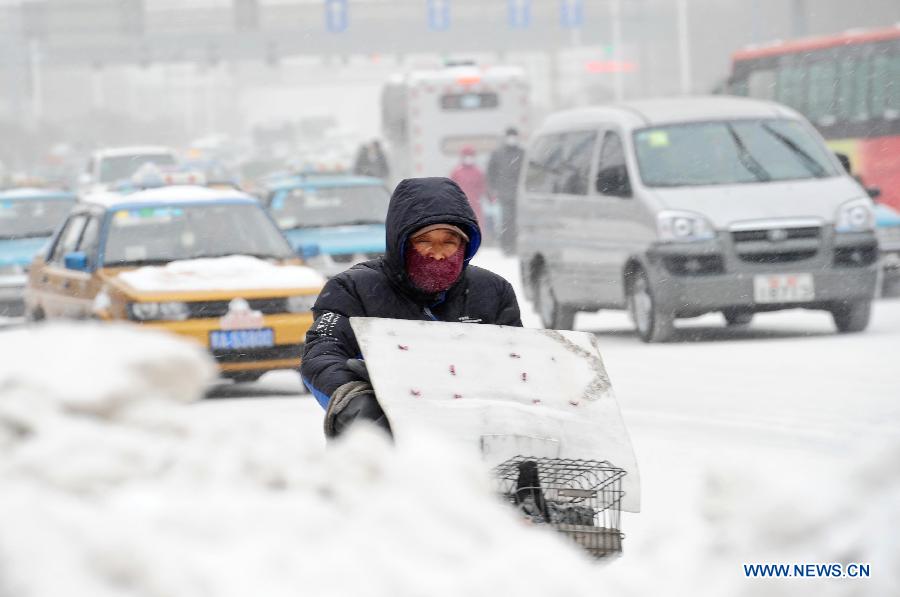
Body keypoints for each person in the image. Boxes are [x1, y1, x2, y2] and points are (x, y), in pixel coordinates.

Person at [301, 177, 523, 438]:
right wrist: (353, 398)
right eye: (424, 241)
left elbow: (519, 363)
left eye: (449, 242)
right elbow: (321, 355)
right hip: (385, 445)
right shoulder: (352, 289)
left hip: (480, 443)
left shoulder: (492, 291)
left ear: (466, 246)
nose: (438, 254)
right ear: (402, 243)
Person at [486, 127, 525, 255]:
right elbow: (491, 172)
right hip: (504, 193)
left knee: (517, 220)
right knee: (506, 220)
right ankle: (506, 246)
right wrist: (492, 188)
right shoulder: (498, 153)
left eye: (514, 136)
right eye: (510, 136)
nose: (512, 139)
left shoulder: (522, 153)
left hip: (519, 193)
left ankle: (515, 245)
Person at [450, 146, 487, 230]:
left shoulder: (478, 171)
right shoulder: (456, 171)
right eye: (466, 155)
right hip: (460, 203)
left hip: (475, 203)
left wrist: (478, 196)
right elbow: (452, 187)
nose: (468, 158)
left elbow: (482, 186)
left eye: (470, 155)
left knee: (476, 222)